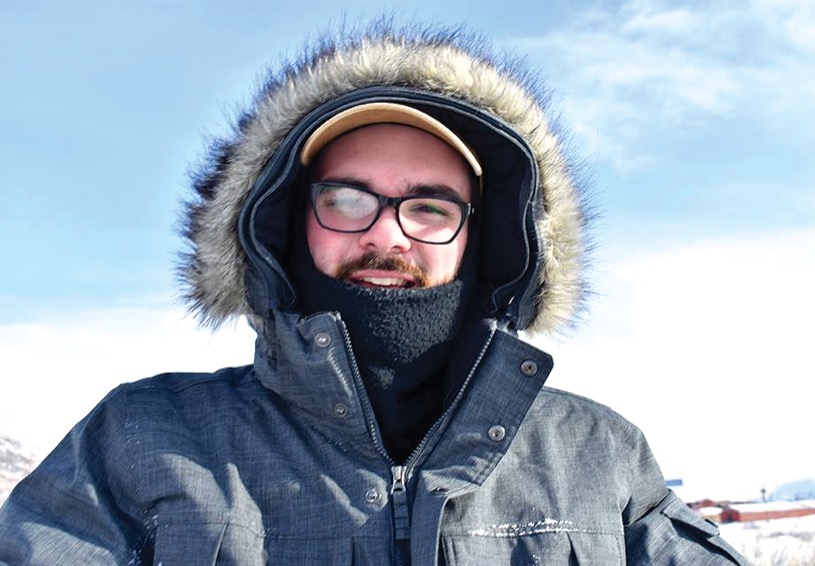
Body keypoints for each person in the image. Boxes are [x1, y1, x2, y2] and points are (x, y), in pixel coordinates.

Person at [0, 22, 747, 565]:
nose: (388, 236)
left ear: (480, 240)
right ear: (286, 224)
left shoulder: (601, 456)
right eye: (349, 199)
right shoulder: (142, 439)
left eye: (429, 207)